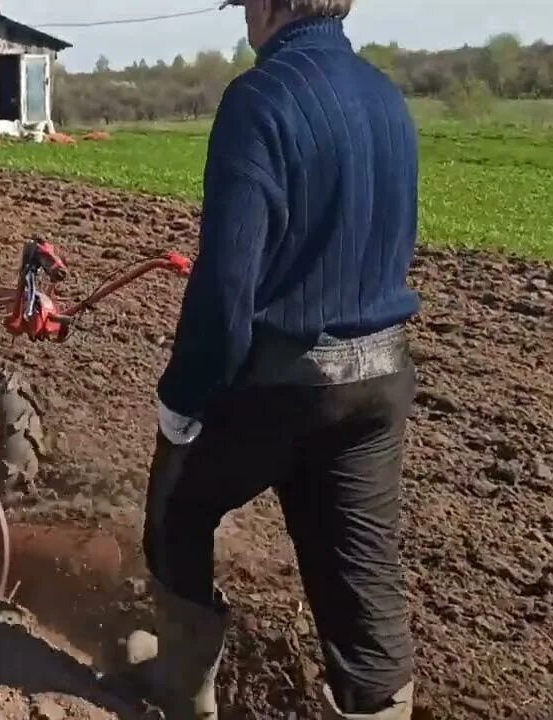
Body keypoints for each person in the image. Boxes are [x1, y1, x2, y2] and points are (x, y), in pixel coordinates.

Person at [126, 1, 421, 719]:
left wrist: (183, 400)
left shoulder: (259, 99)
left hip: (285, 383)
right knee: (360, 572)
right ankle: (378, 707)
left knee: (175, 513)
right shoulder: (388, 98)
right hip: (379, 382)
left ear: (272, 5)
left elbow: (227, 287)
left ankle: (183, 686)